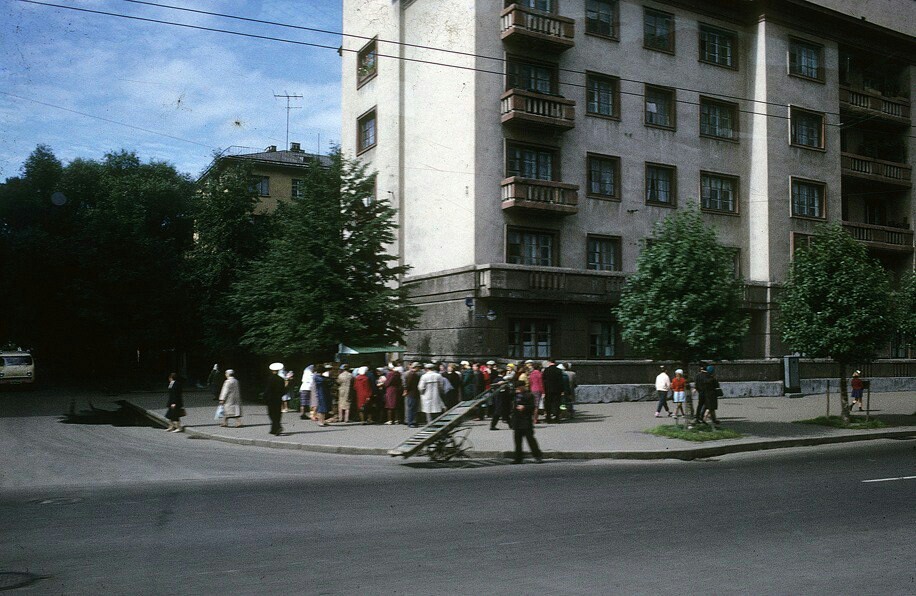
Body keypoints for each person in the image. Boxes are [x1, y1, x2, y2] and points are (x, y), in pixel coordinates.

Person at [510, 380, 543, 464]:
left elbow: (532, 407)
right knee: (517, 441)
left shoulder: (529, 395)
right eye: (516, 388)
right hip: (517, 420)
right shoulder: (515, 395)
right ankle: (518, 458)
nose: (518, 389)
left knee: (530, 440)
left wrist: (524, 407)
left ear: (523, 387)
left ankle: (537, 456)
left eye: (519, 388)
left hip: (526, 420)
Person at [264, 362, 286, 435]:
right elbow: (284, 390)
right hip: (278, 398)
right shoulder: (281, 379)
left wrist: (265, 397)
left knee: (271, 413)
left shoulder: (270, 378)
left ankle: (277, 427)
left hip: (270, 398)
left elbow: (267, 389)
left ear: (271, 370)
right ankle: (274, 429)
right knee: (277, 413)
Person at [542, 359, 564, 423]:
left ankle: (548, 418)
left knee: (548, 404)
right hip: (557, 390)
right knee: (557, 403)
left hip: (548, 389)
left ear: (549, 362)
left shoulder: (546, 370)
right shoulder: (559, 370)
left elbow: (543, 380)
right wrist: (562, 390)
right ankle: (557, 418)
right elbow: (561, 381)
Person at [403, 362, 422, 428]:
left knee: (413, 408)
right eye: (418, 367)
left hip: (413, 393)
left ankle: (413, 421)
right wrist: (406, 390)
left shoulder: (414, 374)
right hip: (412, 393)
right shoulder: (412, 374)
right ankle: (410, 422)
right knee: (411, 408)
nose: (419, 368)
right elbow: (408, 384)